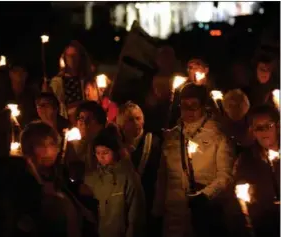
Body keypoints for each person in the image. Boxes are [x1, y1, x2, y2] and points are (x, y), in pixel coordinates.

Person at [153, 83, 235, 237]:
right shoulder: (172, 136)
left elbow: (225, 175)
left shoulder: (218, 135)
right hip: (173, 216)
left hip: (204, 215)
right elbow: (163, 175)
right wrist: (157, 209)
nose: (189, 111)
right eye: (185, 106)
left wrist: (205, 196)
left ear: (203, 106)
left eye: (194, 105)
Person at [84, 125, 146, 237]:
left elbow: (136, 213)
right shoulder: (94, 177)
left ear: (115, 151)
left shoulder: (128, 176)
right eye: (98, 153)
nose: (101, 157)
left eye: (105, 152)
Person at [234, 105, 280, 237]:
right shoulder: (246, 160)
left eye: (268, 126)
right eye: (258, 128)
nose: (264, 131)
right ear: (253, 132)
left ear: (277, 127)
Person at [116, 102, 161, 218]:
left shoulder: (153, 143)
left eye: (138, 118)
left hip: (147, 199)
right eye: (130, 120)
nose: (136, 123)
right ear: (121, 123)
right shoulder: (116, 143)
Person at [48, 40, 93, 122]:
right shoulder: (57, 82)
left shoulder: (86, 80)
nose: (72, 59)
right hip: (65, 121)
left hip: (85, 121)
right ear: (65, 58)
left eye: (75, 56)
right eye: (69, 56)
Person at [73, 101, 107, 173]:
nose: (84, 123)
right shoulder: (72, 147)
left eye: (90, 119)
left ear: (100, 124)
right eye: (81, 118)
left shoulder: (108, 148)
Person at [8, 63, 38, 127]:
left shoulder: (32, 94)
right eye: (16, 71)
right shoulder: (4, 95)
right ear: (10, 74)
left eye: (22, 71)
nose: (19, 74)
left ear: (26, 74)